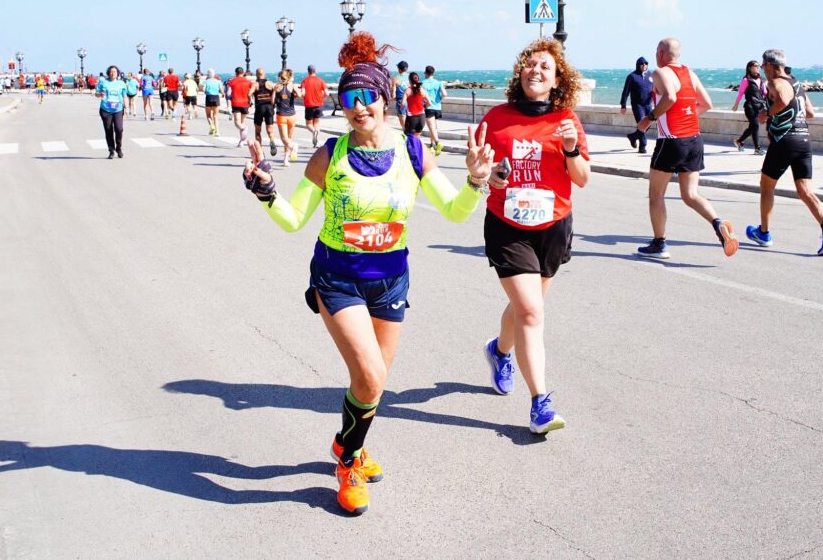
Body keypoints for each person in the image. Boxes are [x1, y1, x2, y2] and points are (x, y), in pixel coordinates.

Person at [242, 31, 493, 516]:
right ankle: (349, 464)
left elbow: (457, 212)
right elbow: (294, 219)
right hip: (337, 278)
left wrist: (476, 182)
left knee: (368, 382)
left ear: (386, 98)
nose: (359, 107)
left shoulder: (414, 152)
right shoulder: (330, 156)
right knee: (373, 377)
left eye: (368, 97)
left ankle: (345, 444)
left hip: (391, 280)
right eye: (349, 99)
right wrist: (267, 191)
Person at [480, 38, 590, 435]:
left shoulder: (566, 121)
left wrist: (571, 149)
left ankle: (500, 350)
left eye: (545, 66)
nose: (535, 70)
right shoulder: (496, 118)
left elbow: (582, 179)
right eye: (529, 64)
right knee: (530, 312)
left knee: (526, 308)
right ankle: (540, 404)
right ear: (520, 73)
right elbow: (479, 173)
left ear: (557, 78)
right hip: (508, 226)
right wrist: (486, 176)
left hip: (553, 227)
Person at [636, 37, 739, 259]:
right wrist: (686, 116)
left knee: (656, 194)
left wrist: (649, 118)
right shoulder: (690, 73)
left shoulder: (660, 73)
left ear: (661, 53)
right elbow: (706, 104)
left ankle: (659, 244)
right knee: (690, 194)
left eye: (657, 51)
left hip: (671, 140)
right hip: (694, 138)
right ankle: (718, 225)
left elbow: (670, 97)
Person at [747, 50, 823, 256]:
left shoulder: (776, 83)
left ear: (772, 65)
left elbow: (781, 100)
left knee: (766, 186)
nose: (763, 70)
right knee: (804, 190)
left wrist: (767, 114)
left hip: (785, 141)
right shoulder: (797, 84)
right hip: (804, 141)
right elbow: (810, 113)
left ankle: (763, 233)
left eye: (764, 65)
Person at [619, 56, 655, 154]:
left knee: (647, 125)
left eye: (646, 64)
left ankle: (633, 136)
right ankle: (642, 146)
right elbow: (625, 92)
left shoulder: (651, 76)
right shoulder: (632, 76)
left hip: (648, 104)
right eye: (642, 64)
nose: (644, 65)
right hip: (637, 105)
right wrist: (623, 105)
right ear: (638, 65)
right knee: (642, 125)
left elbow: (655, 90)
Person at [732, 60, 767, 154]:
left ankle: (739, 141)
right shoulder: (746, 80)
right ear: (749, 68)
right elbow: (740, 93)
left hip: (759, 106)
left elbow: (764, 93)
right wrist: (736, 105)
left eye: (759, 66)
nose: (758, 67)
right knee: (755, 125)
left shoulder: (761, 79)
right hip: (749, 106)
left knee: (752, 126)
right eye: (755, 66)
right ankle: (757, 148)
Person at [95, 65, 127, 159]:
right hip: (106, 109)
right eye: (111, 71)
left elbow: (124, 96)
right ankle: (111, 150)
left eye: (115, 71)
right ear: (108, 73)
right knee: (108, 130)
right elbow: (96, 94)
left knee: (119, 129)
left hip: (118, 109)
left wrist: (127, 107)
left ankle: (119, 148)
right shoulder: (103, 82)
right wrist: (100, 94)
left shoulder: (121, 83)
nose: (113, 73)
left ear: (118, 73)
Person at [273, 69, 300, 166]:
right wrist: (294, 95)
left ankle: (293, 146)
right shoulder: (293, 86)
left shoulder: (277, 87)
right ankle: (285, 159)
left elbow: (273, 103)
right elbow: (300, 95)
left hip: (281, 115)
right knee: (288, 138)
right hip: (292, 115)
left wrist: (274, 92)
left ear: (280, 78)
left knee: (284, 138)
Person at [251, 67, 278, 157]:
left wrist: (250, 101)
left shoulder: (255, 84)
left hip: (259, 108)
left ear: (257, 74)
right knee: (270, 129)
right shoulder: (270, 83)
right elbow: (276, 91)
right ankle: (272, 141)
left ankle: (261, 151)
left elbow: (248, 93)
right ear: (264, 74)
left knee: (258, 131)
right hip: (269, 107)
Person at [300, 65, 328, 148]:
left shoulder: (305, 81)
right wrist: (322, 98)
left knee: (308, 124)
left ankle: (313, 132)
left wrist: (303, 97)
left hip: (309, 105)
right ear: (315, 71)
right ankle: (316, 133)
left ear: (308, 71)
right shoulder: (321, 80)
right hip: (319, 105)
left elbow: (303, 93)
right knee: (317, 122)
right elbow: (327, 93)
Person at [421, 65, 446, 154]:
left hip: (428, 107)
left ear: (425, 73)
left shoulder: (423, 83)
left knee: (431, 127)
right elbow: (445, 94)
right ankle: (432, 145)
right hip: (438, 107)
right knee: (434, 127)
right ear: (433, 73)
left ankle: (437, 142)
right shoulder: (439, 82)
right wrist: (440, 99)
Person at [227, 67, 252, 146]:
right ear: (243, 72)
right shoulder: (248, 82)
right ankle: (242, 141)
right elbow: (250, 93)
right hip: (245, 103)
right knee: (242, 122)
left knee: (237, 122)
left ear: (235, 73)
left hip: (236, 103)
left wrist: (231, 96)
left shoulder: (232, 81)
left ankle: (243, 130)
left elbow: (228, 93)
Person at [401, 72, 429, 139]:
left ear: (410, 80)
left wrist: (402, 109)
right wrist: (423, 107)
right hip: (422, 117)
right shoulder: (422, 90)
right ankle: (418, 149)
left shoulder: (408, 90)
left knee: (408, 138)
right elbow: (429, 103)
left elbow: (402, 104)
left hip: (412, 118)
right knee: (417, 138)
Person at [390, 60, 410, 130]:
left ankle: (406, 132)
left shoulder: (396, 79)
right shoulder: (411, 76)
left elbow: (393, 94)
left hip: (401, 101)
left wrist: (394, 97)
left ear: (399, 69)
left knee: (402, 116)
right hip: (411, 100)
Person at [203, 69, 223, 136]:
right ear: (214, 74)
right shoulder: (218, 82)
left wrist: (206, 91)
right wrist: (222, 94)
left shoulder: (205, 81)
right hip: (216, 97)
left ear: (208, 74)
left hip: (208, 97)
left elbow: (203, 89)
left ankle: (212, 126)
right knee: (215, 115)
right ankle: (217, 131)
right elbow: (221, 91)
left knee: (208, 115)